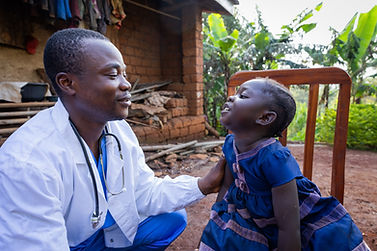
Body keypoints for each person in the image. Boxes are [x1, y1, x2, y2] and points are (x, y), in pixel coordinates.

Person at [0, 28, 226, 251]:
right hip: (66, 243)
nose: (126, 84)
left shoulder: (117, 129)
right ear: (67, 83)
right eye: (112, 74)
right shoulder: (26, 163)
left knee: (173, 219)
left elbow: (144, 191)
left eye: (124, 74)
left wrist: (204, 185)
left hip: (98, 235)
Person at [199, 78, 370, 251]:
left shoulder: (274, 158)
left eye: (242, 95)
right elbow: (228, 185)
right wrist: (217, 217)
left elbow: (289, 227)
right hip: (247, 213)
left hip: (288, 218)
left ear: (265, 117)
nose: (230, 97)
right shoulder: (230, 143)